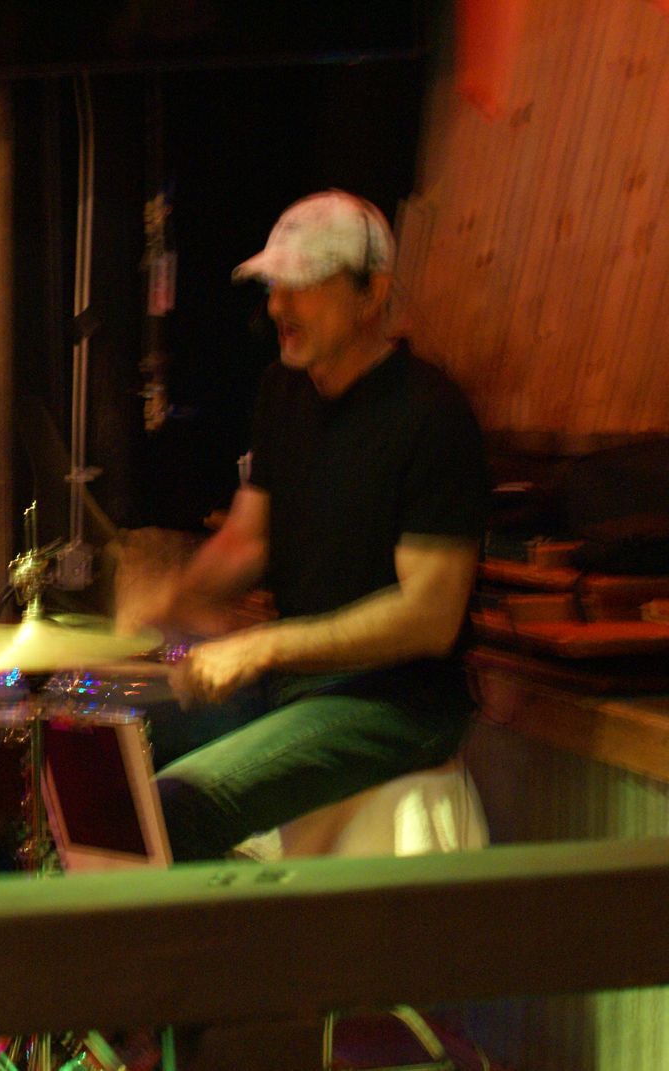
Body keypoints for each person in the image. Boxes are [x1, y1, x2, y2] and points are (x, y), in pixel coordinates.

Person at [127, 190, 488, 862]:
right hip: (298, 687)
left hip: (395, 703)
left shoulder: (432, 415)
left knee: (178, 805)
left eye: (303, 285)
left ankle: (233, 932)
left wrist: (264, 646)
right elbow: (249, 538)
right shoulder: (283, 391)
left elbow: (431, 617)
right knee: (110, 746)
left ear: (371, 292)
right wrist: (168, 600)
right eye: (274, 285)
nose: (278, 306)